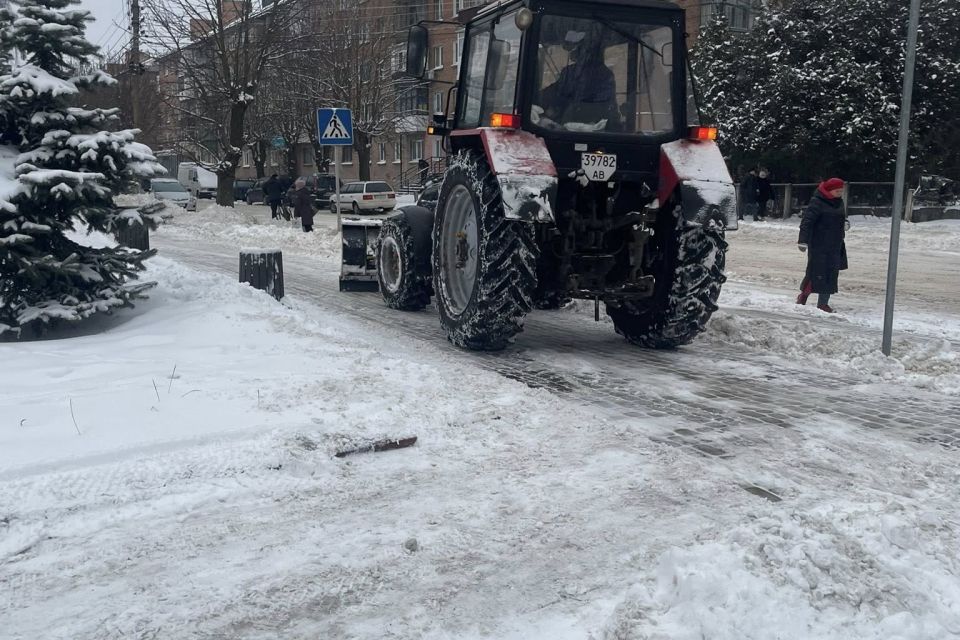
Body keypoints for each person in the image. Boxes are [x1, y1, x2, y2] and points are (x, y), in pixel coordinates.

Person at [538, 29, 617, 129]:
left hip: (593, 129)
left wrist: (573, 108)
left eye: (579, 49)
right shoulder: (569, 72)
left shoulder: (604, 75)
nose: (574, 54)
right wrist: (537, 98)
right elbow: (554, 92)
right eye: (573, 50)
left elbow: (601, 105)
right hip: (563, 129)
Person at [796, 177, 848, 313]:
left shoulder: (839, 202)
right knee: (816, 273)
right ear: (829, 191)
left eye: (841, 191)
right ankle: (803, 296)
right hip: (819, 244)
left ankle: (823, 304)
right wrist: (803, 240)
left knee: (831, 274)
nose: (840, 193)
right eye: (837, 191)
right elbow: (807, 222)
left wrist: (845, 223)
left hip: (835, 244)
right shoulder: (817, 202)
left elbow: (841, 217)